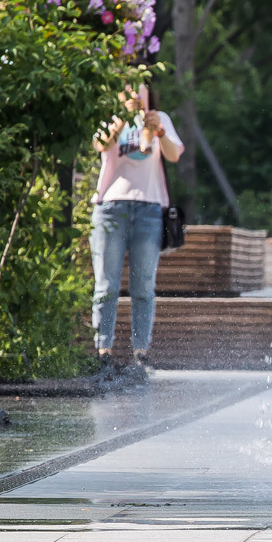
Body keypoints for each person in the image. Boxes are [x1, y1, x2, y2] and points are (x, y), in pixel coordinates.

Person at [90, 81, 184, 367]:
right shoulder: (112, 119)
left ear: (147, 94)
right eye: (127, 90)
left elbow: (174, 154)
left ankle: (140, 352)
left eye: (138, 89)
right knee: (106, 284)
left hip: (148, 209)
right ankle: (102, 352)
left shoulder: (159, 119)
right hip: (111, 207)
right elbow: (101, 145)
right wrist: (119, 123)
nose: (133, 94)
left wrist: (159, 131)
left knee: (143, 286)